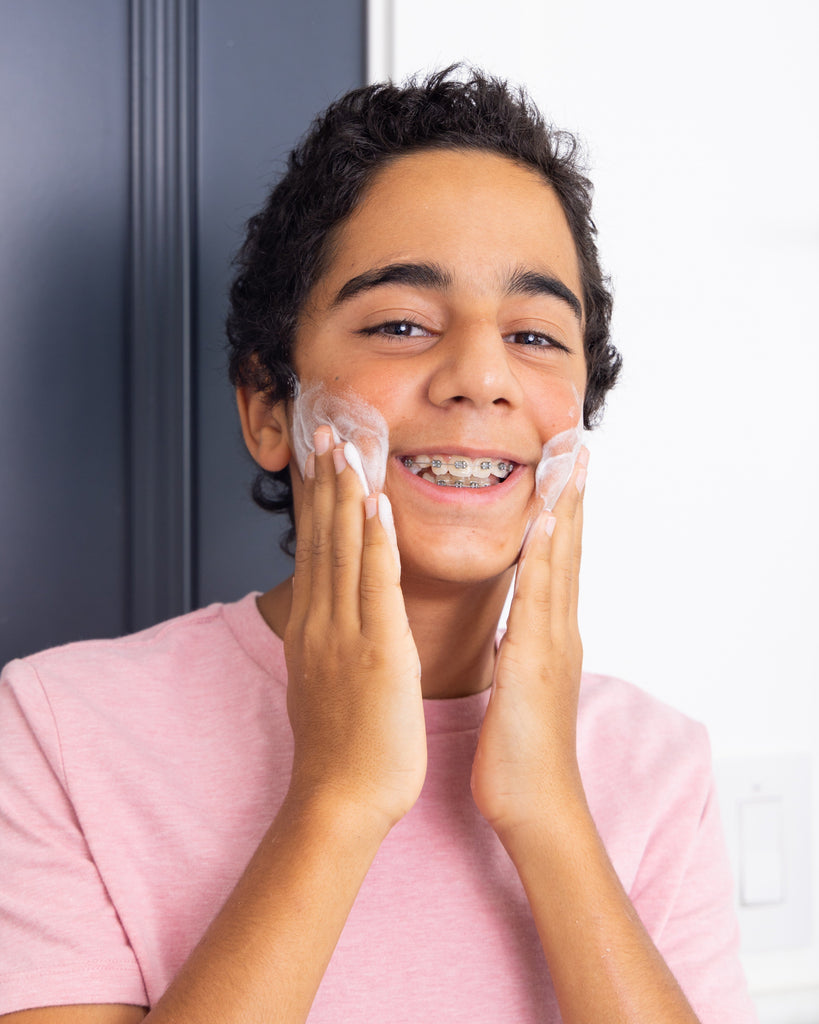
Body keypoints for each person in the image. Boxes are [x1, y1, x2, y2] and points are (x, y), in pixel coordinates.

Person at [0, 68, 757, 1023]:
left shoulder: (658, 765)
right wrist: (338, 798)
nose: (481, 377)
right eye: (401, 323)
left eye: (533, 335)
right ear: (271, 409)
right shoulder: (57, 732)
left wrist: (551, 816)